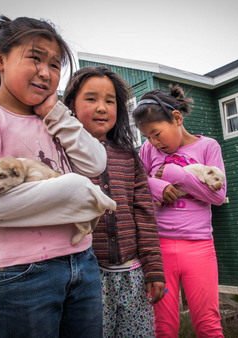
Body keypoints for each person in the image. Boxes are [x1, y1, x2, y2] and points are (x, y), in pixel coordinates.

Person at [0, 16, 117, 337]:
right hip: (24, 272)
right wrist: (69, 191)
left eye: (55, 65)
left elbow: (95, 163)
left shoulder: (54, 118)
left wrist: (56, 114)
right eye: (35, 58)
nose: (46, 72)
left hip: (83, 259)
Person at [63, 66, 166, 337]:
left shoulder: (128, 156)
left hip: (133, 275)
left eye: (110, 101)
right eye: (91, 98)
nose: (102, 107)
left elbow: (144, 213)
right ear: (71, 104)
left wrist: (154, 269)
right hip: (87, 277)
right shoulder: (62, 154)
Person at [132, 84, 226, 337]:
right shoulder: (148, 151)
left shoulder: (208, 147)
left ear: (176, 118)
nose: (153, 142)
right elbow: (136, 185)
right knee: (163, 326)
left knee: (208, 323)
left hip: (199, 247)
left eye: (156, 133)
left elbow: (218, 196)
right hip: (158, 248)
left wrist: (177, 175)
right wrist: (156, 186)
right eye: (148, 137)